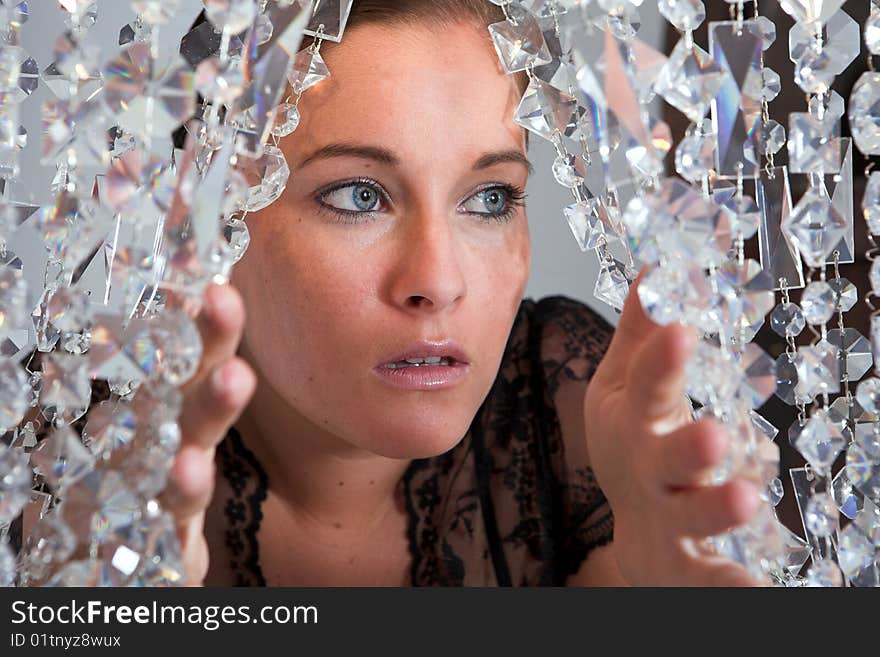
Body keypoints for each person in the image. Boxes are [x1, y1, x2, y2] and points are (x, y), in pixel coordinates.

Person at [163, 0, 764, 587]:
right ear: (206, 217)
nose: (439, 282)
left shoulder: (571, 409)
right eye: (359, 196)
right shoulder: (92, 464)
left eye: (490, 198)